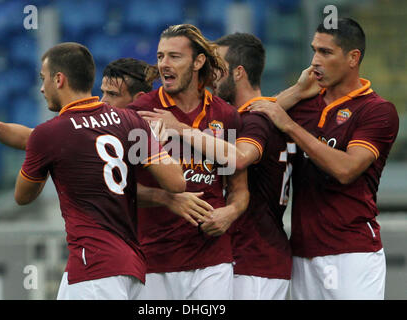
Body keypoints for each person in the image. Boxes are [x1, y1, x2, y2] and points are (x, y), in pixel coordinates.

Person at [8, 42, 189, 299]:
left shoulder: (48, 134)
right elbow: (177, 182)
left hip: (94, 266)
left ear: (59, 79)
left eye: (43, 78)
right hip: (130, 267)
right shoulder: (129, 120)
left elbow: (22, 196)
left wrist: (45, 160)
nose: (41, 87)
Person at [250, 18, 399, 299]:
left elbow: (346, 169)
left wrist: (291, 126)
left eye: (326, 52)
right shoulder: (303, 104)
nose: (315, 61)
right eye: (314, 50)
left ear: (353, 57)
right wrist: (296, 91)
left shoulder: (376, 111)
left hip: (351, 253)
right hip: (302, 253)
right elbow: (252, 125)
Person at [129, 24, 249, 300]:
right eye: (160, 57)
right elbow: (121, 189)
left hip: (212, 260)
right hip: (153, 261)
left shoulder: (225, 115)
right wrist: (166, 198)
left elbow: (240, 190)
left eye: (174, 56)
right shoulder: (140, 114)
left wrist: (229, 214)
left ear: (198, 61)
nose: (164, 64)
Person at [211, 32, 294, 300]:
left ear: (238, 73)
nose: (211, 76)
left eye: (218, 68)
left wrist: (183, 132)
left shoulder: (254, 121)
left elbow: (241, 157)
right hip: (253, 256)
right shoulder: (262, 113)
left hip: (256, 260)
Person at [0, 57, 159, 150]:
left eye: (112, 94)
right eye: (103, 92)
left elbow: (177, 183)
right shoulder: (102, 127)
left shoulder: (162, 132)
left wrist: (166, 198)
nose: (104, 101)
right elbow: (33, 138)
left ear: (139, 98)